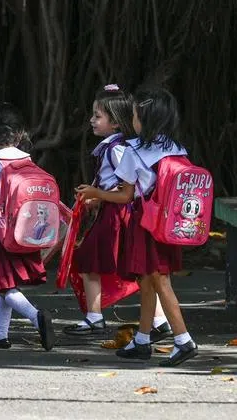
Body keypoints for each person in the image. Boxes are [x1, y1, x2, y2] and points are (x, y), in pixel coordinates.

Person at [77, 86, 197, 367]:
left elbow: (125, 196)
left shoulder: (134, 151)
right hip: (169, 221)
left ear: (143, 119)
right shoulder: (176, 147)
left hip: (146, 223)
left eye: (133, 115)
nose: (132, 121)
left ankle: (183, 339)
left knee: (158, 280)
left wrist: (96, 194)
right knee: (146, 280)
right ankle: (142, 340)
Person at [0, 104, 52, 350]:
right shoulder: (27, 161)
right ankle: (0, 334)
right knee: (6, 283)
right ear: (19, 134)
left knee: (2, 285)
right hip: (24, 230)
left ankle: (37, 317)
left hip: (1, 233)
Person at [64, 84, 134, 335]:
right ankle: (159, 321)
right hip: (114, 212)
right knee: (137, 268)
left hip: (116, 215)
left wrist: (98, 196)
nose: (92, 121)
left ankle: (95, 317)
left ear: (115, 123)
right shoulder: (114, 146)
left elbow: (126, 191)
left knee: (87, 260)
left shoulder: (116, 149)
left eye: (97, 116)